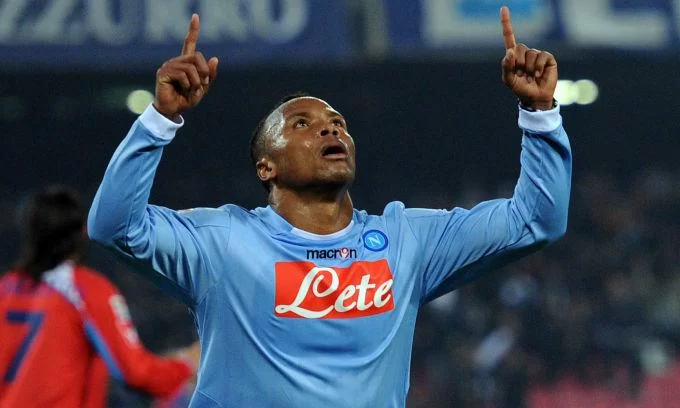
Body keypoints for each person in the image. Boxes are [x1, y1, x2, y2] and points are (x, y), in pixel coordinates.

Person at [88, 6, 571, 407]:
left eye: (338, 123)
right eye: (301, 124)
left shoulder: (406, 241)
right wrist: (160, 119)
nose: (330, 128)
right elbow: (114, 227)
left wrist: (540, 114)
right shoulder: (224, 242)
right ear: (266, 167)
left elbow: (535, 222)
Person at [0, 185, 198, 408]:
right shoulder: (85, 290)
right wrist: (188, 364)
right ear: (82, 231)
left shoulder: (5, 288)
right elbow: (136, 373)